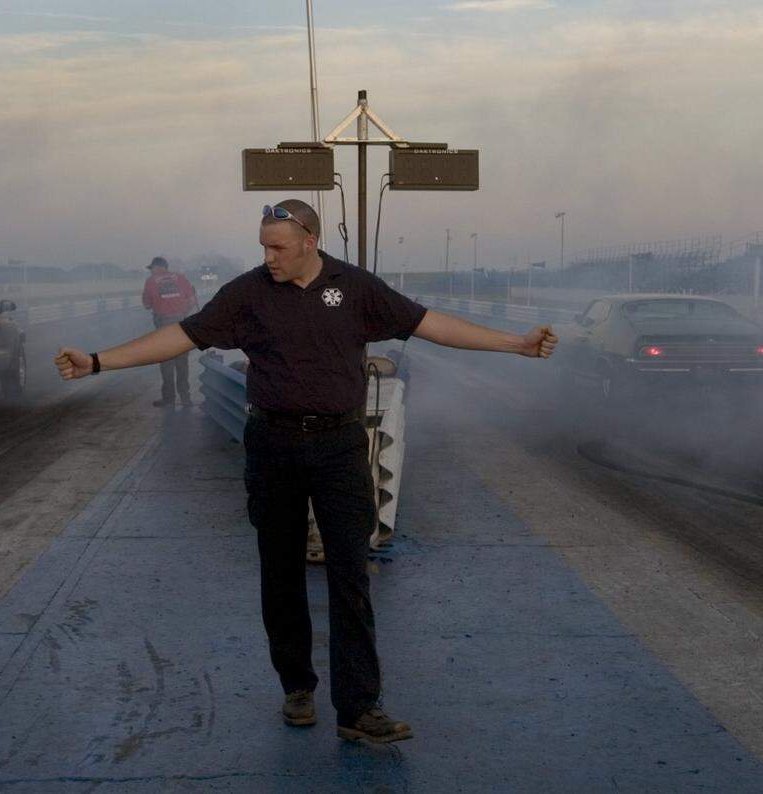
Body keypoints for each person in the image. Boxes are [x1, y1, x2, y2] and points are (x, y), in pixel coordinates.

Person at [54, 199, 558, 744]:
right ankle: (297, 685)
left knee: (350, 573)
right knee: (281, 572)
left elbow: (429, 324)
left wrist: (515, 344)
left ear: (311, 242)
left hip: (340, 445)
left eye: (278, 248)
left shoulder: (356, 288)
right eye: (263, 247)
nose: (268, 257)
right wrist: (98, 361)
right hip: (273, 444)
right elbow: (182, 335)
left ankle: (358, 707)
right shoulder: (247, 294)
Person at [141, 256, 198, 407]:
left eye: (151, 269)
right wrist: (182, 312)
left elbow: (147, 305)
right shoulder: (181, 278)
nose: (151, 271)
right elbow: (192, 300)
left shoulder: (151, 281)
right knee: (182, 362)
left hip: (164, 326)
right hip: (181, 324)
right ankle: (185, 398)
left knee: (166, 362)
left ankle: (169, 399)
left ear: (157, 267)